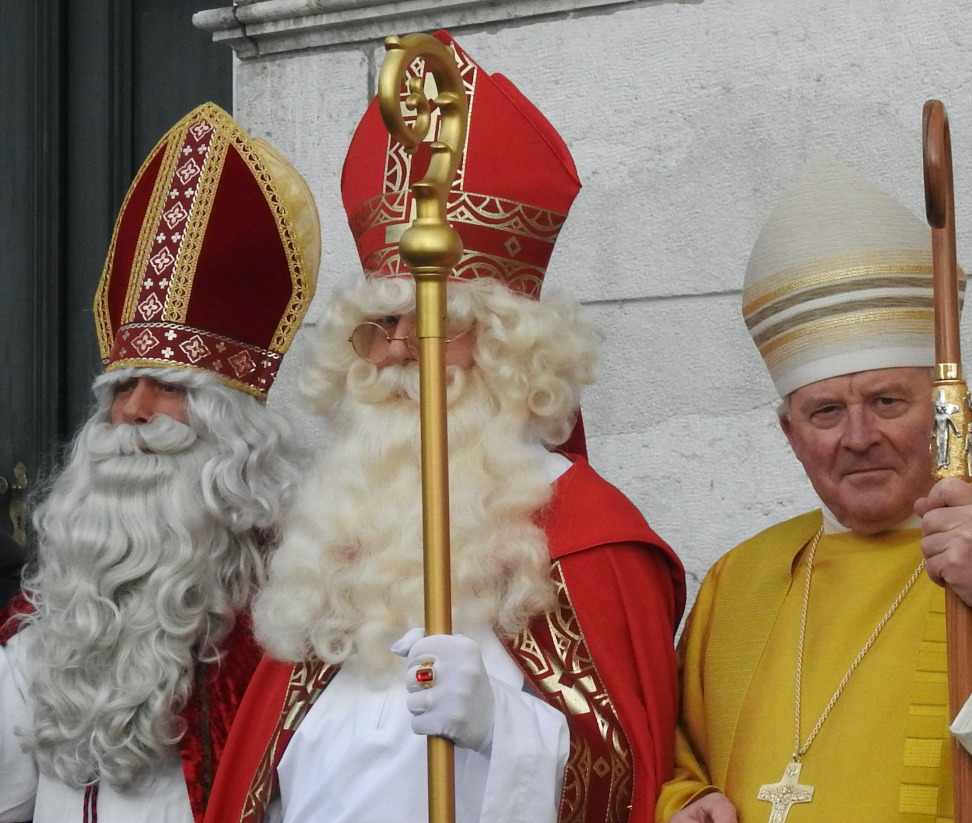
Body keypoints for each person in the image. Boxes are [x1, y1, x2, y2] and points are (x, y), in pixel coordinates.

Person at [205, 32, 684, 823]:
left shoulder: (589, 535)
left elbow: (630, 783)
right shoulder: (347, 524)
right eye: (380, 325)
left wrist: (508, 728)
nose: (399, 351)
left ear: (507, 347)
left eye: (433, 325)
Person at [659, 157, 972, 823]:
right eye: (825, 412)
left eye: (887, 400)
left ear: (949, 411)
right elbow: (669, 750)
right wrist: (682, 801)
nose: (858, 435)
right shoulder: (738, 582)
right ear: (789, 433)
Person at [0, 103, 316, 823]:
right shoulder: (56, 619)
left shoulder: (288, 624)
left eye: (169, 388)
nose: (133, 411)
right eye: (118, 389)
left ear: (235, 434)